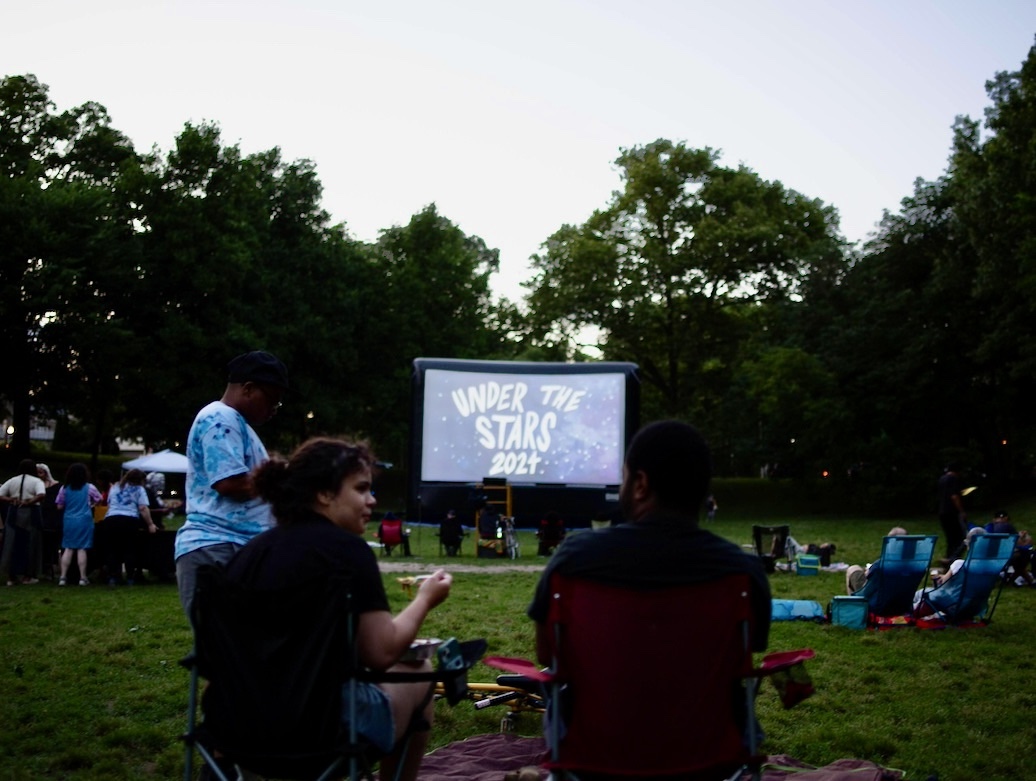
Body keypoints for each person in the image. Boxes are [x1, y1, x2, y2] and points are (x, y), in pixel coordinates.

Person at [223, 437, 452, 781]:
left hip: (236, 729)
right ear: (324, 493)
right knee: (420, 670)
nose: (371, 500)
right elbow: (382, 652)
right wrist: (424, 599)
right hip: (323, 731)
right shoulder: (347, 553)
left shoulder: (248, 556)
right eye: (361, 489)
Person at [528, 420, 771, 666]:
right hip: (705, 705)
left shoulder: (574, 559)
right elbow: (751, 646)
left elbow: (547, 654)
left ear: (640, 485)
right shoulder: (744, 571)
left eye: (624, 478)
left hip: (601, 705)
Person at [174, 350, 288, 619]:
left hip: (236, 549)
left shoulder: (237, 424)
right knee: (222, 650)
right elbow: (229, 483)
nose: (274, 410)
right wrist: (284, 480)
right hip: (218, 550)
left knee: (242, 649)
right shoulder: (220, 418)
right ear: (248, 388)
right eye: (272, 400)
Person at [914, 526, 986, 617]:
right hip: (975, 608)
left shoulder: (960, 565)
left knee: (922, 593)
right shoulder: (991, 568)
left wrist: (940, 578)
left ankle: (909, 610)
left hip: (953, 606)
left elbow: (943, 583)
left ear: (968, 544)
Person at [102, 469, 157, 585]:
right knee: (130, 549)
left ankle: (113, 576)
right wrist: (150, 524)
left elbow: (109, 502)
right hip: (129, 520)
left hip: (111, 519)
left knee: (113, 549)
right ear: (140, 480)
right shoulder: (139, 489)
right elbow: (143, 508)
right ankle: (130, 577)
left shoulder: (116, 486)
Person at [0, 459, 46, 586]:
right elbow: (41, 494)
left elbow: (0, 494)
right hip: (32, 514)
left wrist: (10, 499)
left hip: (14, 512)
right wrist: (29, 501)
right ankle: (27, 576)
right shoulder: (37, 481)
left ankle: (11, 577)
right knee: (31, 543)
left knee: (11, 543)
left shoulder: (12, 480)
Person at [55, 463, 102, 586]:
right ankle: (82, 577)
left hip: (69, 520)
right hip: (84, 520)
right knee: (82, 548)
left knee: (68, 548)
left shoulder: (64, 488)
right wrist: (91, 505)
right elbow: (99, 499)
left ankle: (63, 577)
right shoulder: (89, 487)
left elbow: (59, 506)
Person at [845, 526, 908, 596]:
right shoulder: (915, 565)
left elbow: (866, 590)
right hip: (903, 603)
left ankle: (853, 605)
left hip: (875, 602)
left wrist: (869, 572)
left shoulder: (880, 565)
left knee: (853, 569)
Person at [936, 462, 967, 560]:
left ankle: (948, 556)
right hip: (952, 512)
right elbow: (954, 496)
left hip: (942, 512)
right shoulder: (953, 479)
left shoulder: (942, 479)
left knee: (950, 537)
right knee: (960, 537)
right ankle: (954, 558)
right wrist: (961, 511)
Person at [37, 463, 62, 579]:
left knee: (52, 543)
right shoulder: (36, 486)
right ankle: (45, 567)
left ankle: (52, 566)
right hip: (41, 516)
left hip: (53, 517)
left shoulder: (56, 486)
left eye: (40, 472)